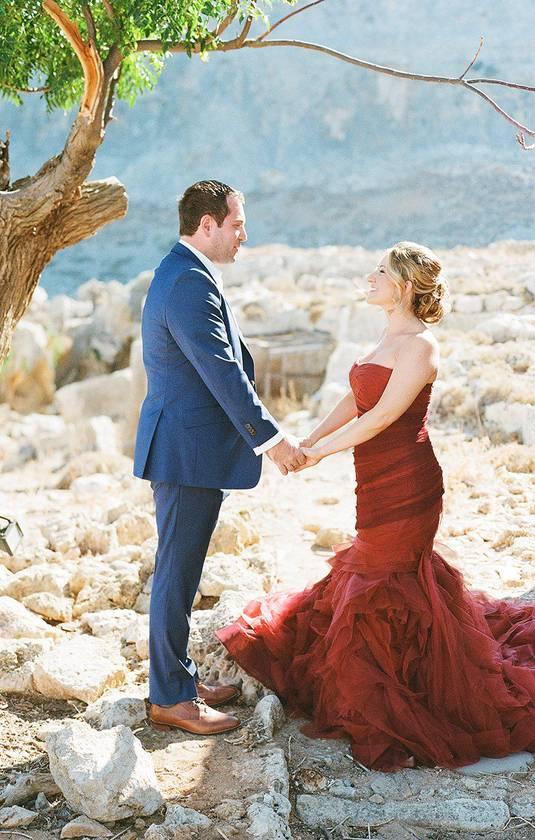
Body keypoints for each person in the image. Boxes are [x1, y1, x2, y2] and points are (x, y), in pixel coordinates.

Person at [217, 241, 535, 771]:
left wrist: (316, 455)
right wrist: (307, 441)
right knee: (382, 576)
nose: (370, 277)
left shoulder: (421, 347)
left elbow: (381, 418)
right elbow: (355, 400)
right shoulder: (388, 335)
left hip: (408, 482)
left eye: (380, 272)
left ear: (405, 285)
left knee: (384, 577)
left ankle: (408, 693)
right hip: (372, 479)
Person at [133, 179, 306, 735]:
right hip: (185, 452)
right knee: (176, 574)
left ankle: (178, 680)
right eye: (237, 225)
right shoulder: (186, 281)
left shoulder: (187, 274)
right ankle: (169, 699)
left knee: (182, 572)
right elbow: (220, 370)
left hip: (191, 450)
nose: (244, 236)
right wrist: (271, 439)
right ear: (206, 224)